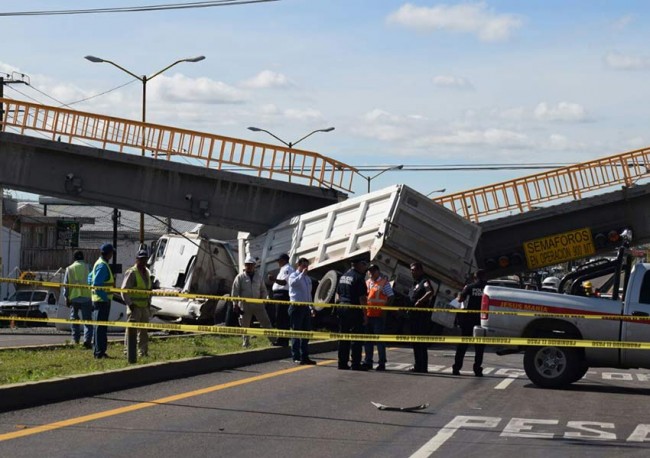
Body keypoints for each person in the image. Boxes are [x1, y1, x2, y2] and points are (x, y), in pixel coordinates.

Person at [232, 255, 274, 348]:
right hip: (244, 305)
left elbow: (263, 289)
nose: (249, 266)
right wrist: (235, 304)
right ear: (245, 265)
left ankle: (273, 340)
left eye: (251, 265)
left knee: (266, 322)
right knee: (244, 325)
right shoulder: (240, 277)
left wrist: (264, 300)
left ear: (254, 265)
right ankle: (245, 343)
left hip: (258, 304)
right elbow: (235, 291)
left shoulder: (259, 277)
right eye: (247, 264)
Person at [452, 269, 488, 377]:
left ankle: (456, 368)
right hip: (482, 321)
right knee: (479, 347)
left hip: (468, 320)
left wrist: (460, 293)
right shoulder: (488, 288)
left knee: (463, 345)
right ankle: (477, 369)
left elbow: (459, 300)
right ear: (484, 276)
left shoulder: (469, 287)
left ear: (475, 277)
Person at [336, 258, 369, 370]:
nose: (365, 267)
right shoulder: (359, 278)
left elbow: (338, 294)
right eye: (363, 264)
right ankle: (356, 363)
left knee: (343, 336)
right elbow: (362, 299)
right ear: (358, 264)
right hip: (354, 308)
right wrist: (365, 315)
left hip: (342, 306)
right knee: (356, 337)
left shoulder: (343, 276)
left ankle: (342, 363)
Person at [121, 248, 153, 357]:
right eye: (141, 259)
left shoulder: (147, 273)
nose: (143, 261)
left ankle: (143, 352)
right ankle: (128, 351)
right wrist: (130, 304)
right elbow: (124, 290)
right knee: (131, 331)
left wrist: (149, 303)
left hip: (144, 307)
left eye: (145, 259)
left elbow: (148, 290)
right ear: (137, 259)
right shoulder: (132, 272)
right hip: (134, 307)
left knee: (143, 332)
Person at [362, 264, 394, 371]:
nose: (370, 273)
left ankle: (382, 363)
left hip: (379, 316)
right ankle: (368, 361)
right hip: (368, 315)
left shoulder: (384, 283)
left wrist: (385, 310)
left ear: (377, 272)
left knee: (380, 341)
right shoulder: (367, 283)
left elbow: (391, 297)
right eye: (369, 271)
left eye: (372, 271)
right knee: (368, 340)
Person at [407, 262, 436, 373]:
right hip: (413, 316)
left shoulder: (424, 281)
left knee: (421, 342)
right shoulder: (415, 283)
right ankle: (417, 365)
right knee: (415, 342)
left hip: (421, 317)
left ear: (420, 270)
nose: (412, 272)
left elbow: (430, 292)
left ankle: (423, 367)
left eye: (414, 270)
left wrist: (420, 301)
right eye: (411, 270)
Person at [89, 243, 115, 359]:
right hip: (102, 301)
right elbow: (96, 284)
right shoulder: (103, 265)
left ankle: (98, 351)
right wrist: (104, 297)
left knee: (99, 327)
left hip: (98, 300)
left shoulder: (98, 263)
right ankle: (99, 352)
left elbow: (89, 278)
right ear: (109, 254)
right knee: (101, 328)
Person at [288, 257, 316, 365]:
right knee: (296, 331)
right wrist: (301, 274)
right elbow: (293, 284)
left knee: (306, 333)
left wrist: (311, 307)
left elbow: (308, 295)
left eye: (306, 266)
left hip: (305, 307)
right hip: (296, 306)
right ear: (298, 265)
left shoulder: (308, 279)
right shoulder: (293, 275)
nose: (305, 268)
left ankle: (305, 356)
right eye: (303, 265)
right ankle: (296, 356)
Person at [63, 250, 93, 349]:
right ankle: (87, 341)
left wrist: (66, 297)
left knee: (74, 319)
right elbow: (92, 282)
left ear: (74, 258)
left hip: (74, 297)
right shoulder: (88, 267)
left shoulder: (69, 268)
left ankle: (75, 340)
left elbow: (66, 285)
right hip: (86, 297)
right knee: (87, 321)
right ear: (83, 257)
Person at [269, 253, 294, 347]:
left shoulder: (287, 269)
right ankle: (282, 339)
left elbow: (284, 282)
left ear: (283, 260)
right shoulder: (283, 269)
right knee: (280, 318)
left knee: (282, 318)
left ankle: (283, 340)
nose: (278, 263)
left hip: (282, 295)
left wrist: (274, 279)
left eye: (279, 261)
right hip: (279, 295)